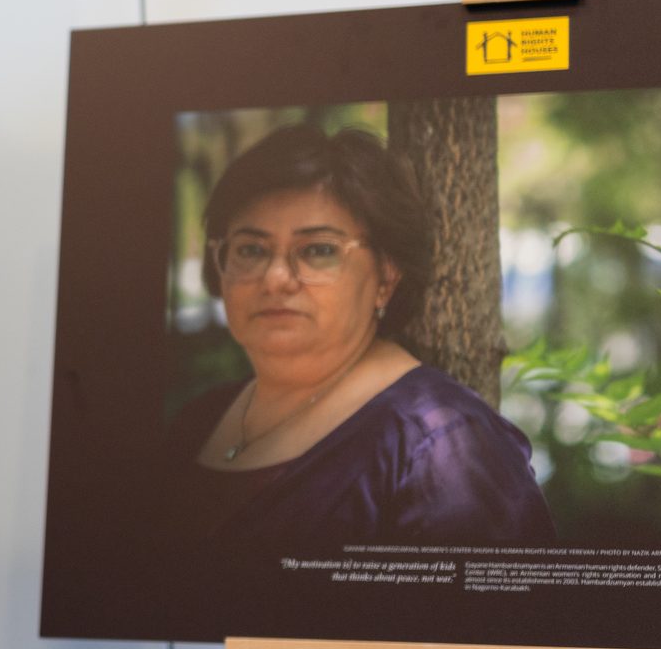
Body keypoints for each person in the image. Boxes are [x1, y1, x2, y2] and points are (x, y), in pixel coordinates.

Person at [167, 123, 553, 545]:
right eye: (251, 249)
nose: (275, 278)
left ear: (387, 275)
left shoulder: (439, 449)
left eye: (318, 250)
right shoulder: (197, 422)